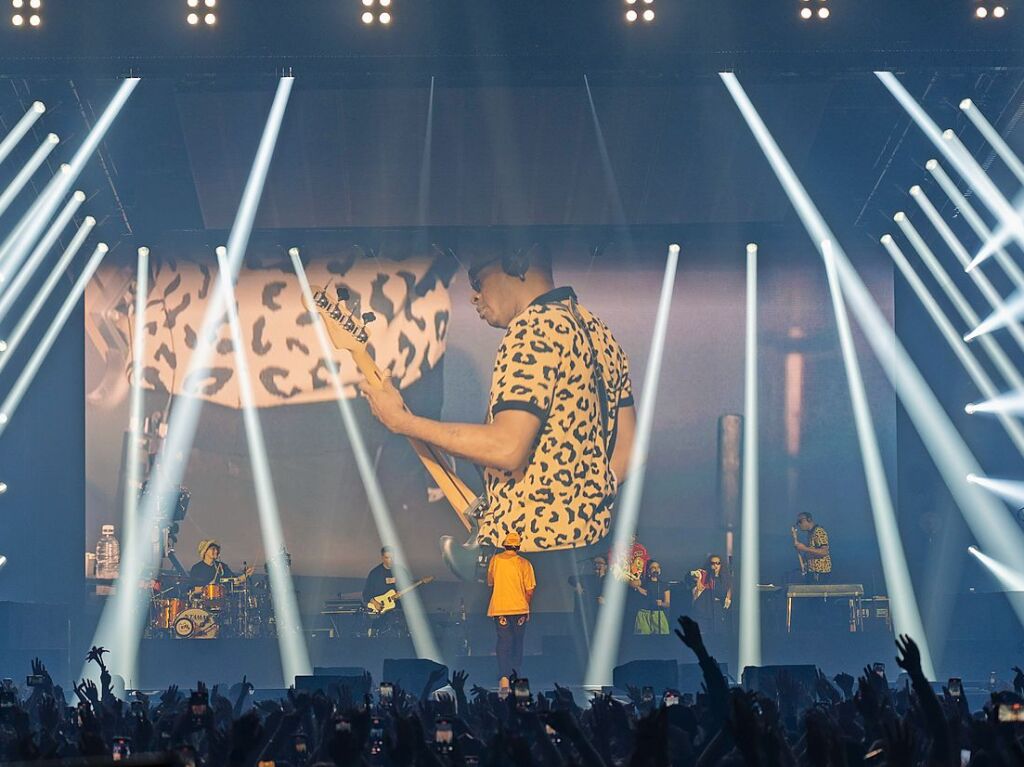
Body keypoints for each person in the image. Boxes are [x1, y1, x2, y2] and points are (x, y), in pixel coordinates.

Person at [359, 240, 636, 579]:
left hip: (527, 558)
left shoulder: (532, 330)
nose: (474, 295)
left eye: (478, 280)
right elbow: (629, 452)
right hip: (587, 550)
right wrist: (581, 504)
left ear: (516, 262)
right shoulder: (600, 332)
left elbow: (506, 448)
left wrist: (400, 421)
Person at [486, 531, 536, 683]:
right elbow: (530, 589)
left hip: (500, 607)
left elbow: (490, 582)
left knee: (503, 641)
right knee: (517, 641)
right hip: (519, 609)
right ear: (518, 546)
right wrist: (526, 606)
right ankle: (515, 672)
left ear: (505, 544)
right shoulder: (524, 563)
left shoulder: (495, 560)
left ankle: (504, 675)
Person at [361, 546, 410, 636]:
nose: (390, 560)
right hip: (380, 615)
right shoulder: (375, 573)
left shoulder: (401, 572)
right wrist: (375, 603)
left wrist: (403, 595)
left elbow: (409, 593)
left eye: (392, 557)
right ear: (382, 558)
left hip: (398, 614)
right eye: (387, 558)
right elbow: (366, 593)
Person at [690, 554, 732, 631]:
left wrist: (728, 597)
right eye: (712, 563)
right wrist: (697, 579)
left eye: (718, 563)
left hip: (718, 610)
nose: (715, 565)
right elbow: (691, 574)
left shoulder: (724, 578)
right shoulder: (704, 575)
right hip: (704, 610)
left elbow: (729, 587)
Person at [634, 560, 670, 635]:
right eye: (653, 567)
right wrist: (638, 588)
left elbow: (667, 604)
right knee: (643, 640)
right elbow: (630, 582)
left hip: (658, 615)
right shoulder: (643, 582)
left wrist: (661, 604)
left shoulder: (664, 585)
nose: (656, 569)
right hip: (643, 615)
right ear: (648, 571)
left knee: (663, 637)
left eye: (658, 567)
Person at [793, 512, 832, 582]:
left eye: (800, 521)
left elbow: (824, 552)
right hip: (812, 573)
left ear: (809, 519)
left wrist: (804, 548)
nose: (799, 524)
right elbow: (812, 550)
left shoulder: (819, 531)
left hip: (820, 574)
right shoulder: (810, 533)